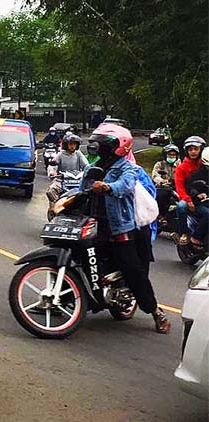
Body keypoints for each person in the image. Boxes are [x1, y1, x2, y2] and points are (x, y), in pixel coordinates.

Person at [83, 124, 170, 333]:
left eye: (103, 142)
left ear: (118, 146)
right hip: (93, 223)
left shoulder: (129, 168)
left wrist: (107, 187)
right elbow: (81, 189)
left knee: (134, 272)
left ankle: (156, 311)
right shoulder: (92, 167)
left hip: (119, 227)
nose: (97, 145)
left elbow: (126, 186)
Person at [174, 136, 208, 244]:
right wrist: (188, 200)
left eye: (196, 149)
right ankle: (184, 233)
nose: (193, 152)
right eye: (190, 149)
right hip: (187, 197)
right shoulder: (181, 168)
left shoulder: (205, 165)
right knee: (181, 206)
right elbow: (180, 187)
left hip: (202, 199)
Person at [184, 148, 209, 245]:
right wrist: (197, 194)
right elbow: (191, 186)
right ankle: (196, 237)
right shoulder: (199, 173)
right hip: (198, 203)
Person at [152, 144, 180, 220]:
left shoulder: (178, 165)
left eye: (174, 155)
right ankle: (160, 216)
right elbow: (155, 176)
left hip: (176, 188)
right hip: (163, 188)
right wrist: (161, 181)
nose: (172, 156)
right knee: (161, 195)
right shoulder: (160, 164)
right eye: (170, 155)